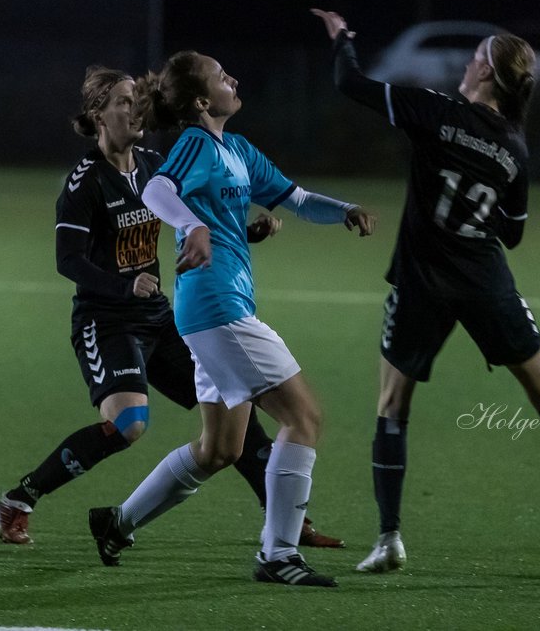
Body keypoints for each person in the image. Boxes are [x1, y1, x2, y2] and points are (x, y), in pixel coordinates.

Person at [308, 8, 540, 574]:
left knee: (392, 405)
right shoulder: (514, 146)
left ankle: (388, 539)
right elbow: (514, 231)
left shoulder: (435, 112)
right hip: (485, 280)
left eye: (476, 54)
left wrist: (343, 40)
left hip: (422, 280)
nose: (468, 59)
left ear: (486, 73)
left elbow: (348, 84)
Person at [0, 65, 345, 550]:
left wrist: (245, 233)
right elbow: (67, 260)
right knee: (130, 424)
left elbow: (196, 224)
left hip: (159, 316)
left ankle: (288, 525)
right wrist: (122, 287)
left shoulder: (157, 165)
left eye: (137, 99)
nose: (135, 109)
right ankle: (20, 498)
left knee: (235, 403)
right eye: (121, 101)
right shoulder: (84, 182)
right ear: (98, 114)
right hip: (106, 320)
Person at [86, 51, 377, 588]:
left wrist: (343, 210)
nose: (234, 78)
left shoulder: (238, 150)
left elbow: (296, 198)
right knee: (304, 418)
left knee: (220, 449)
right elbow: (156, 191)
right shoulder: (196, 143)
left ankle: (117, 522)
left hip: (219, 309)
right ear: (201, 101)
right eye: (223, 76)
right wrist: (193, 226)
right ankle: (279, 554)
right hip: (217, 307)